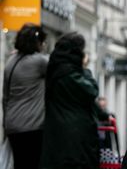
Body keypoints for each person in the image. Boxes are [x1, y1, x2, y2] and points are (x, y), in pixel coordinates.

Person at [41, 32, 109, 169]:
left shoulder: (54, 69)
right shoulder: (70, 73)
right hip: (76, 137)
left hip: (56, 133)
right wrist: (85, 70)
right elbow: (91, 91)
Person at [2, 23, 48, 169]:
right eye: (42, 42)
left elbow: (5, 97)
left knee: (20, 164)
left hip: (13, 125)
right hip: (32, 126)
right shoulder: (39, 62)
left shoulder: (10, 62)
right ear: (37, 42)